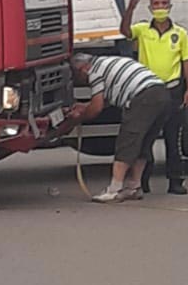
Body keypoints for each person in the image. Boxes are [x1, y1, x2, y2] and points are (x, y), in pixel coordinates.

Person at [120, 0, 188, 195]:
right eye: (156, 4)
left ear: (169, 7)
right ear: (150, 8)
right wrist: (130, 9)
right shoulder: (143, 29)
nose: (160, 7)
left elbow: (187, 61)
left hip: (173, 89)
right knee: (145, 138)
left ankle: (176, 181)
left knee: (174, 138)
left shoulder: (180, 33)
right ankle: (143, 180)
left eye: (163, 3)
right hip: (148, 91)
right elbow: (125, 31)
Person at [67, 53, 168, 203]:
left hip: (143, 97)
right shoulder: (106, 63)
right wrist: (84, 106)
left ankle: (114, 190)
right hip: (161, 94)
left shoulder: (94, 72)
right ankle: (134, 187)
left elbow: (97, 107)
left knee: (127, 141)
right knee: (142, 143)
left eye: (77, 76)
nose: (80, 81)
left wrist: (78, 118)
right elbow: (107, 98)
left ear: (82, 69)